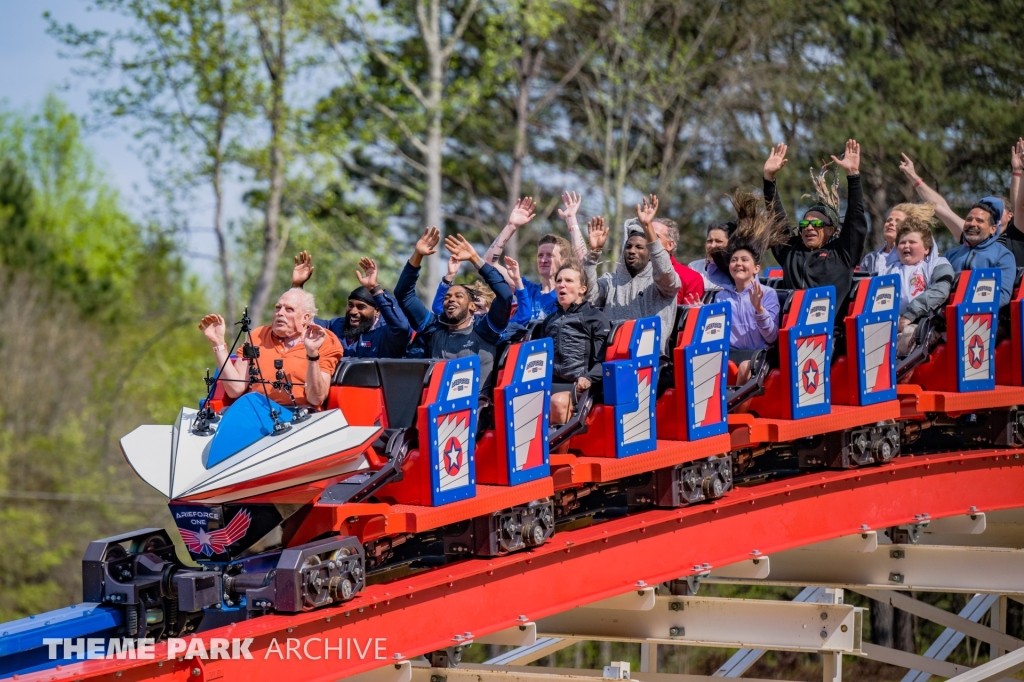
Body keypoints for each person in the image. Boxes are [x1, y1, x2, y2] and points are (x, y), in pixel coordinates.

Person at [395, 227, 514, 392]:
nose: (451, 299)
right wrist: (417, 255)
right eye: (447, 297)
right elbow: (403, 295)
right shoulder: (434, 327)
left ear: (472, 306)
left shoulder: (485, 329)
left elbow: (505, 295)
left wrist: (474, 259)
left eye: (459, 296)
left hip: (475, 408)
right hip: (436, 405)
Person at [763, 140, 868, 308]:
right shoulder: (791, 252)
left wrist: (853, 175)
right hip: (792, 328)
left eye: (817, 224)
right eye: (804, 223)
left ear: (830, 230)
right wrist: (769, 179)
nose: (809, 227)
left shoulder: (842, 254)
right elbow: (776, 218)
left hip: (828, 331)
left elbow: (856, 218)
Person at [198, 288, 342, 409]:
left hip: (302, 418)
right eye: (278, 308)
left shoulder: (323, 339)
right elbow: (235, 389)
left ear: (305, 318)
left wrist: (312, 353)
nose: (280, 313)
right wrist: (218, 342)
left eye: (289, 309)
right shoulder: (258, 336)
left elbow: (316, 399)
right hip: (256, 414)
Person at [705, 193, 788, 383]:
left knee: (744, 368)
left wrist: (759, 309)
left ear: (756, 268)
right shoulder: (721, 297)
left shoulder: (768, 294)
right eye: (734, 260)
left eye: (744, 260)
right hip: (730, 353)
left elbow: (771, 336)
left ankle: (732, 413)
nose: (738, 264)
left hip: (760, 355)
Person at [583, 195, 682, 354]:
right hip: (609, 356)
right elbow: (588, 295)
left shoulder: (661, 284)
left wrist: (648, 227)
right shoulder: (611, 281)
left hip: (649, 359)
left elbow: (665, 272)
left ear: (651, 252)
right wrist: (593, 253)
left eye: (639, 247)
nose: (632, 251)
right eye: (628, 246)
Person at [473, 195, 585, 322]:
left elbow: (583, 261)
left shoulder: (568, 291)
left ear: (565, 261)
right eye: (540, 255)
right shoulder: (526, 289)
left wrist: (571, 219)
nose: (543, 260)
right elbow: (489, 262)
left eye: (550, 255)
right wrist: (511, 226)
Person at [291, 251, 411, 358]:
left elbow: (402, 327)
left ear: (377, 311)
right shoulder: (336, 326)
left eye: (361, 307)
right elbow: (302, 323)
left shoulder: (386, 332)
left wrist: (374, 288)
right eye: (350, 305)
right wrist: (297, 286)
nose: (353, 311)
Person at [539, 263, 611, 426]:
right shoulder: (549, 321)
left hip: (583, 387)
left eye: (569, 280)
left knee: (557, 402)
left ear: (582, 289)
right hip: (550, 384)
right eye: (558, 281)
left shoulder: (596, 318)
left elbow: (604, 359)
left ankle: (558, 452)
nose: (561, 284)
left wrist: (588, 378)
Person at [877, 216, 955, 357]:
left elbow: (940, 290)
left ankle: (898, 378)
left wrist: (910, 315)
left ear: (926, 248)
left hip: (926, 326)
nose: (906, 246)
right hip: (893, 324)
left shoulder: (938, 264)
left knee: (908, 334)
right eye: (902, 243)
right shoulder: (889, 270)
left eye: (912, 242)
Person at [899, 152, 1016, 241]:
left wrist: (1018, 171)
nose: (990, 212)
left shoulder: (1016, 236)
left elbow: (1019, 206)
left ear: (1011, 215)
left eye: (996, 209)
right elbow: (941, 208)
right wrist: (913, 177)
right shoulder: (974, 236)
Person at [943, 196, 1016, 307]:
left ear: (993, 229)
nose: (972, 224)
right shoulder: (950, 255)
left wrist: (968, 309)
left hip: (985, 319)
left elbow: (1002, 295)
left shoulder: (1002, 256)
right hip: (945, 316)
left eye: (980, 221)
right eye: (968, 219)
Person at [651, 217, 705, 303]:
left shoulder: (690, 278)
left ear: (670, 245)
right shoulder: (634, 273)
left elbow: (688, 315)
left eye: (654, 236)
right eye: (644, 235)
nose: (648, 241)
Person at [688, 221, 735, 293]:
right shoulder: (694, 267)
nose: (712, 245)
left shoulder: (737, 271)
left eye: (718, 241)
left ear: (731, 244)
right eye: (709, 241)